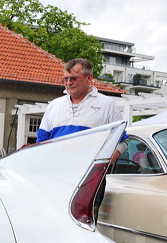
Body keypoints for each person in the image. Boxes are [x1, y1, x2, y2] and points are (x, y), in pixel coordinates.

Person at [38, 58, 128, 218]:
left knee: (83, 226)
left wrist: (101, 166)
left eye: (74, 78)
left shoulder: (107, 105)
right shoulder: (54, 105)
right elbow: (41, 144)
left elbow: (123, 142)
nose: (68, 83)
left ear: (89, 78)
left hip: (90, 181)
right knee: (52, 220)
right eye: (65, 78)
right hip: (56, 178)